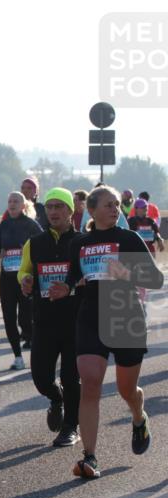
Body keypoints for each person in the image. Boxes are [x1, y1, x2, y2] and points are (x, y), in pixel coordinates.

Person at [49, 185, 164, 478]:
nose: (115, 209)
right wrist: (66, 287)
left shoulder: (129, 239)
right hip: (91, 318)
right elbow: (74, 275)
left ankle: (138, 416)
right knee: (90, 383)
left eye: (116, 204)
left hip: (125, 317)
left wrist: (128, 273)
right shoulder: (80, 244)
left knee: (127, 390)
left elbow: (156, 279)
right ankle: (89, 457)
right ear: (92, 210)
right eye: (108, 205)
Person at [17, 188, 82, 448]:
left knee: (71, 377)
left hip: (75, 320)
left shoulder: (82, 242)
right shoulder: (34, 243)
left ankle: (71, 427)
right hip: (44, 319)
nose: (53, 211)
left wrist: (74, 285)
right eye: (50, 207)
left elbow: (93, 275)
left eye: (59, 206)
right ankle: (56, 398)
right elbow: (23, 271)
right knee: (41, 378)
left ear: (70, 211)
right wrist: (25, 280)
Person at [0, 192, 43, 368]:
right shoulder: (3, 226)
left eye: (16, 201)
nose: (12, 204)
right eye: (9, 201)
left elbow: (44, 246)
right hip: (6, 279)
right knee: (8, 318)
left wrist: (27, 253)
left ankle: (35, 348)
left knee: (25, 318)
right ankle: (18, 357)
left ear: (23, 205)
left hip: (25, 278)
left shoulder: (31, 225)